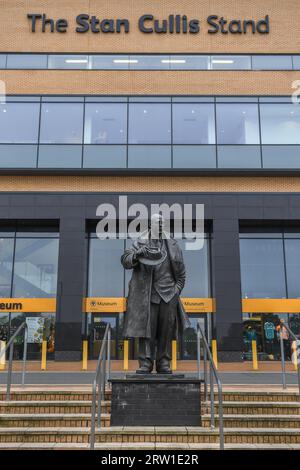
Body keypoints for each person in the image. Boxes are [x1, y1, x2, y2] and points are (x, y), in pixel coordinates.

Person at [121, 214, 190, 374]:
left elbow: (182, 275)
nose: (159, 224)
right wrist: (138, 254)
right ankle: (145, 363)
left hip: (169, 295)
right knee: (147, 331)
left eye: (162, 222)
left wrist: (175, 292)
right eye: (156, 222)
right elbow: (125, 260)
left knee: (165, 332)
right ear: (150, 224)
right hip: (148, 294)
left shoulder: (173, 245)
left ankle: (163, 363)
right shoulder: (139, 242)